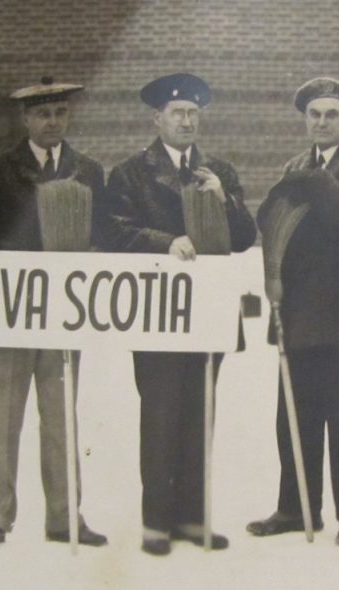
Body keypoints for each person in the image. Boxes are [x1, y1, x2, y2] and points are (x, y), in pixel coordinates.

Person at [102, 73, 256, 556]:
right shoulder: (130, 173)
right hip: (158, 311)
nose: (186, 121)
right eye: (177, 113)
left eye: (193, 113)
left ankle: (193, 517)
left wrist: (222, 200)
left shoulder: (219, 172)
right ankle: (156, 521)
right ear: (157, 119)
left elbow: (243, 237)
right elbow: (114, 232)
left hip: (209, 311)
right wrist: (164, 242)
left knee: (199, 413)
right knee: (161, 412)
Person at [246, 77, 339, 546]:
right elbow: (273, 224)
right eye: (313, 114)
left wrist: (317, 182)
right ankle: (296, 509)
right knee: (296, 415)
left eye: (332, 114)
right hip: (301, 313)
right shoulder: (296, 165)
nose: (322, 122)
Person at [0, 78, 108, 550]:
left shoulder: (88, 171)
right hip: (11, 312)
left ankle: (64, 515)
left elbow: (100, 237)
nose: (53, 122)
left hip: (63, 314)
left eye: (61, 113)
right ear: (26, 119)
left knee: (59, 418)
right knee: (4, 416)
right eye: (43, 114)